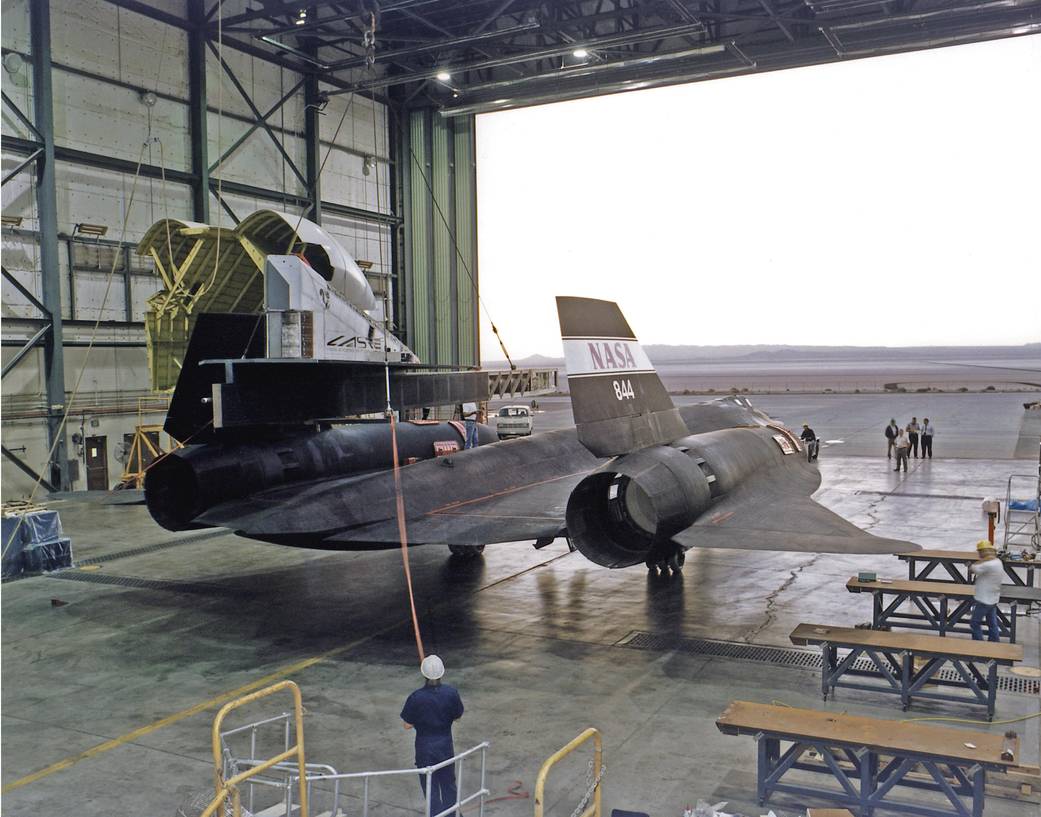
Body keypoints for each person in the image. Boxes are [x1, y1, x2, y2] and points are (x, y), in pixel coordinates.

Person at [401, 655, 464, 816]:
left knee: (430, 786)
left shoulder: (416, 697)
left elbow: (407, 725)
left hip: (425, 747)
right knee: (449, 784)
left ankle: (436, 814)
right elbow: (457, 716)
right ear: (442, 673)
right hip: (445, 745)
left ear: (424, 675)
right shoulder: (451, 693)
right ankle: (452, 814)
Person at [969, 541, 1004, 641]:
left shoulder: (989, 565)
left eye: (980, 551)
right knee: (992, 623)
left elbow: (973, 569)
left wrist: (978, 562)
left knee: (974, 623)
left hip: (984, 600)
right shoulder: (998, 562)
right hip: (993, 599)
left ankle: (979, 645)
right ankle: (994, 642)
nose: (979, 554)